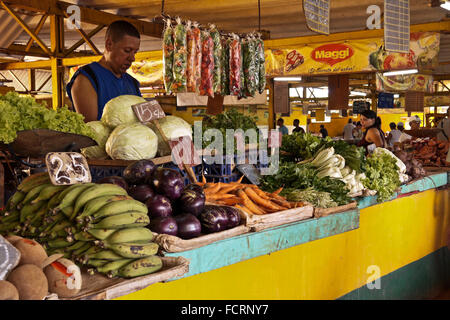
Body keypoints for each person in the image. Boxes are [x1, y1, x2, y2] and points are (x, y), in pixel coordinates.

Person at [67, 20, 142, 122]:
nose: (132, 58)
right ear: (109, 44)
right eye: (127, 51)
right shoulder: (87, 79)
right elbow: (93, 130)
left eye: (135, 52)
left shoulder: (132, 83)